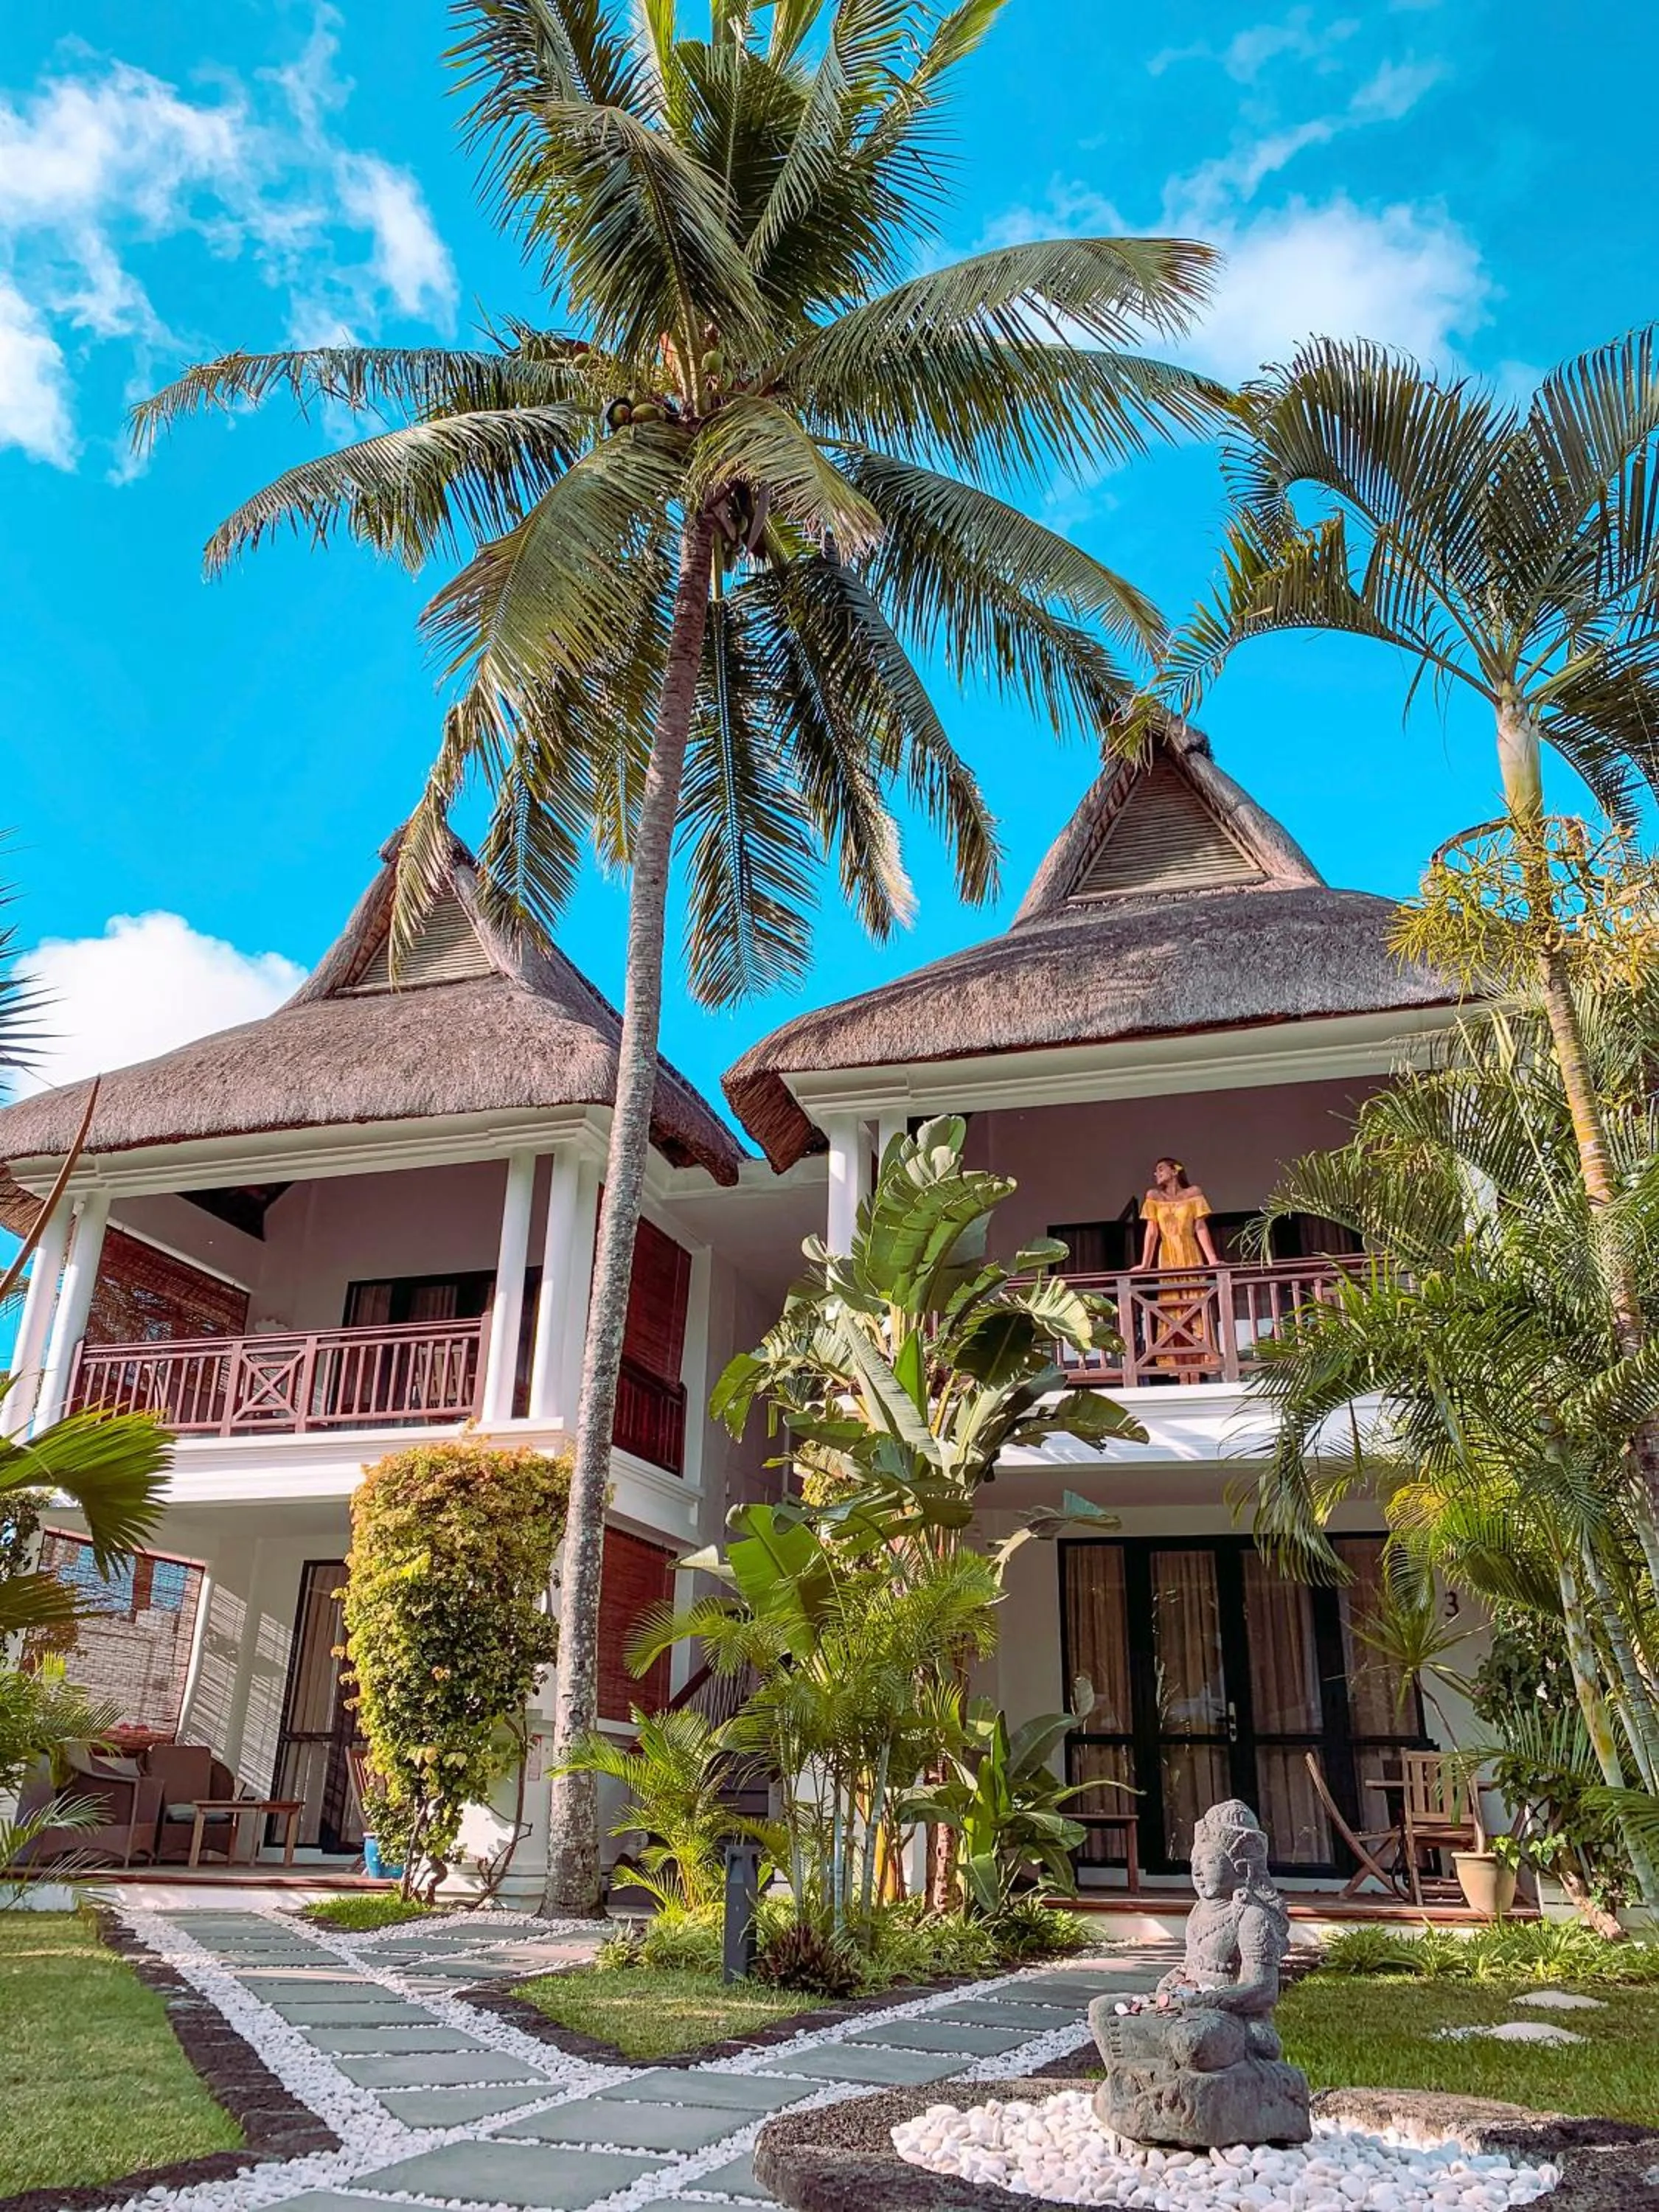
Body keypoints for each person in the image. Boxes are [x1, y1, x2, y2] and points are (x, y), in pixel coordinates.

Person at [1130, 1158, 1220, 1382]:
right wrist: (1145, 1264)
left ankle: (1196, 1373)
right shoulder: (1154, 1196)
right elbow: (1152, 1232)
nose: (1156, 1173)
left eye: (1161, 1169)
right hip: (1168, 1256)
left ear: (1175, 1170)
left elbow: (1200, 1227)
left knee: (1194, 1307)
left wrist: (1212, 1260)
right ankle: (1181, 1375)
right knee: (1172, 1311)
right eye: (1155, 1170)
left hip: (1191, 1255)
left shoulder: (1193, 1193)